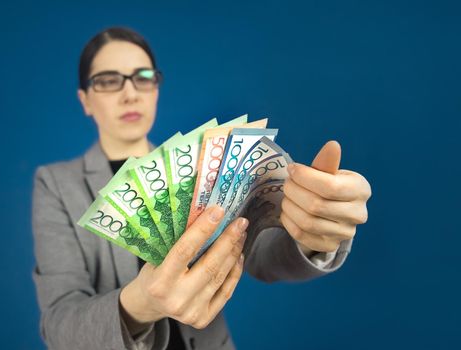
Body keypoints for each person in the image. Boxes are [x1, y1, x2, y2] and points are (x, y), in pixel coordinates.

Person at [32, 27, 371, 350]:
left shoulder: (203, 165)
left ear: (156, 90)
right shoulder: (56, 184)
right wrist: (141, 304)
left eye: (143, 77)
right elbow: (59, 323)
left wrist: (312, 237)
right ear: (85, 100)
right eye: (108, 81)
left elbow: (263, 255)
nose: (129, 93)